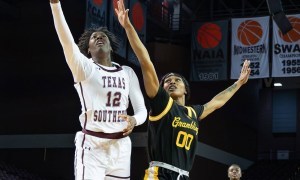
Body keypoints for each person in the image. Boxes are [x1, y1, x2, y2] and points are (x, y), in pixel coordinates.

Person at [115, 0, 251, 179]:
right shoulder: (162, 103)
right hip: (160, 173)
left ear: (186, 90)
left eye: (176, 80)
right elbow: (146, 62)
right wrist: (128, 27)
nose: (171, 82)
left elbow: (217, 102)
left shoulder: (193, 112)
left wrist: (239, 83)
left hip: (183, 175)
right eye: (167, 81)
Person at [49, 0, 147, 179]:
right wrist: (55, 5)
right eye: (94, 37)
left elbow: (142, 111)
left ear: (111, 46)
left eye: (103, 36)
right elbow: (66, 42)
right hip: (93, 145)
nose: (99, 37)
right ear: (88, 48)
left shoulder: (127, 72)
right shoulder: (84, 68)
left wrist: (134, 120)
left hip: (121, 146)